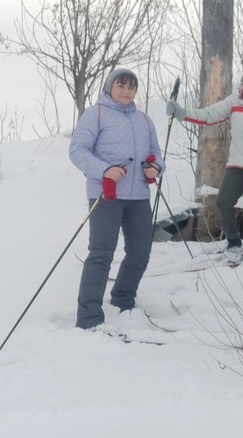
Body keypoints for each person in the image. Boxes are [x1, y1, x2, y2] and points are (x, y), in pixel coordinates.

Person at [69, 68, 164, 330]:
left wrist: (156, 167)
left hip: (138, 196)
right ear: (110, 86)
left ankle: (123, 300)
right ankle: (88, 317)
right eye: (121, 85)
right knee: (101, 254)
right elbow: (77, 150)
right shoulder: (96, 114)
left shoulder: (144, 120)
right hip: (106, 196)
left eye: (131, 87)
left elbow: (156, 152)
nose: (126, 91)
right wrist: (104, 169)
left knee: (140, 252)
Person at [165, 66, 243, 257]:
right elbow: (209, 114)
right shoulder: (234, 101)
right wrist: (182, 113)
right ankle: (233, 241)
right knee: (223, 202)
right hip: (237, 163)